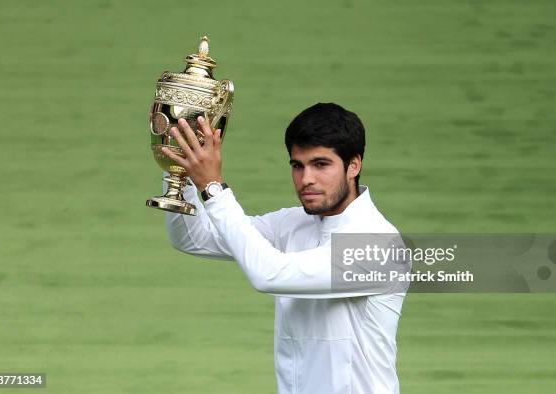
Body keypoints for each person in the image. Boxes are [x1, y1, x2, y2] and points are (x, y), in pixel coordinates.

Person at [160, 103, 407, 394]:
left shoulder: (378, 244)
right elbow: (193, 237)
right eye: (297, 165)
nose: (306, 180)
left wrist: (213, 188)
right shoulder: (292, 222)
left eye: (321, 164)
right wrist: (183, 170)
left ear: (354, 165)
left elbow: (269, 274)